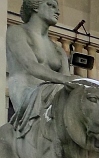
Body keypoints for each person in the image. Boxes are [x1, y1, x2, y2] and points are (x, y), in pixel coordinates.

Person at [7, 0, 77, 133]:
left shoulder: (58, 50)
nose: (57, 11)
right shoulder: (17, 32)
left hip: (52, 95)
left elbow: (68, 84)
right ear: (35, 7)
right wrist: (65, 79)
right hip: (27, 93)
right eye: (50, 5)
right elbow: (30, 66)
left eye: (57, 7)